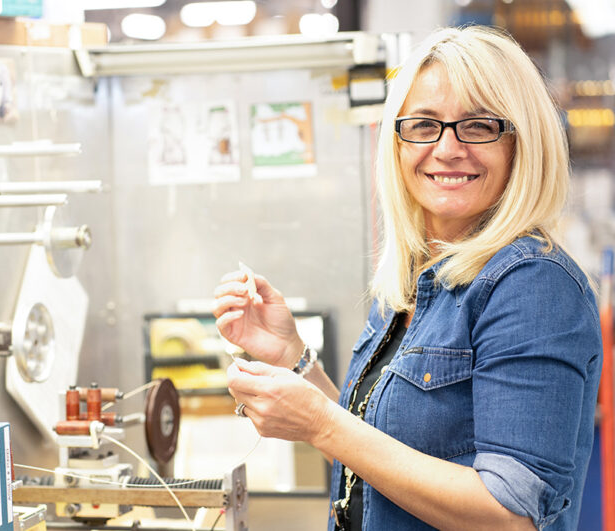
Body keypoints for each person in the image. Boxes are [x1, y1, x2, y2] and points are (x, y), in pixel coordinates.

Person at [212, 25, 602, 531]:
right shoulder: (418, 277)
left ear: (521, 143)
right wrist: (294, 359)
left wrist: (320, 424)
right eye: (423, 125)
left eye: (479, 125)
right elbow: (378, 464)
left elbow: (511, 516)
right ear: (396, 143)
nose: (447, 148)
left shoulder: (531, 284)